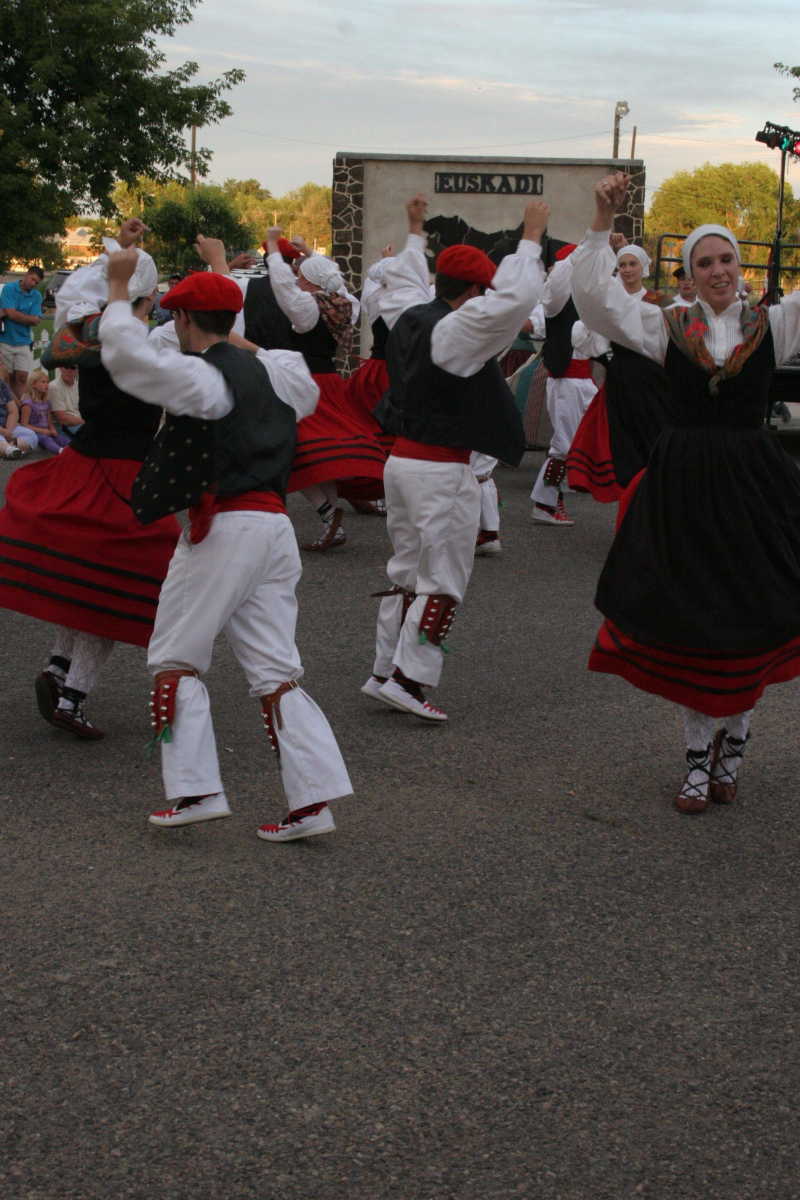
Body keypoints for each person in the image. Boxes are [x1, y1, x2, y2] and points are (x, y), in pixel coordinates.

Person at [98, 243, 353, 840]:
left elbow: (128, 359)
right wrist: (237, 335)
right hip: (274, 530)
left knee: (174, 657)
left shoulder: (204, 377)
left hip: (226, 529)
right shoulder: (278, 373)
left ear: (184, 319)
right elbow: (305, 389)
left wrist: (117, 290)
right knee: (275, 668)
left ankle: (196, 790)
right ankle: (312, 802)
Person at [572, 171, 800, 814]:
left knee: (753, 615)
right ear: (691, 274)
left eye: (726, 258)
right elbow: (594, 302)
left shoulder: (774, 323)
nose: (718, 269)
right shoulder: (664, 325)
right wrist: (600, 223)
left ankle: (736, 744)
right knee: (693, 621)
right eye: (705, 262)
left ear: (739, 265)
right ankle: (698, 760)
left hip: (753, 488)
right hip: (685, 489)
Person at [362, 193, 548, 721]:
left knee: (406, 569)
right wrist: (530, 238)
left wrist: (415, 227)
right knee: (442, 578)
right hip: (440, 469)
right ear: (471, 291)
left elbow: (405, 277)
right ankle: (408, 679)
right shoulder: (455, 330)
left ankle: (384, 669)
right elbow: (514, 300)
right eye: (480, 292)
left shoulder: (409, 314)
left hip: (401, 463)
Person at [0, 218, 181, 739]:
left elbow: (76, 300)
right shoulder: (148, 344)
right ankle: (73, 695)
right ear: (149, 298)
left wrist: (117, 256)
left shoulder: (88, 334)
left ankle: (59, 667)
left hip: (83, 464)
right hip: (125, 476)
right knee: (117, 591)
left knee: (87, 581)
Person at [263, 229, 385, 551]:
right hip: (330, 381)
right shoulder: (345, 303)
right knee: (322, 455)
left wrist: (274, 250)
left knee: (297, 452)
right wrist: (310, 255)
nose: (296, 279)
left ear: (308, 281)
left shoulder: (307, 307)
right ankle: (331, 521)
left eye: (301, 276)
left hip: (304, 383)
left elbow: (282, 286)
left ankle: (329, 515)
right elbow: (332, 280)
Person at [567, 240, 670, 501]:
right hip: (621, 376)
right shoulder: (612, 302)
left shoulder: (659, 300)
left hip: (653, 379)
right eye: (622, 265)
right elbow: (590, 335)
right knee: (622, 442)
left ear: (643, 267)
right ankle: (629, 497)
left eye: (632, 264)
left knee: (653, 437)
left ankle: (651, 495)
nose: (627, 269)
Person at [530, 243, 599, 527]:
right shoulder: (557, 299)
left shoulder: (584, 299)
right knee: (562, 445)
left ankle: (567, 487)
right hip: (566, 380)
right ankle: (545, 504)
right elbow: (558, 282)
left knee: (590, 435)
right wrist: (582, 251)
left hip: (583, 380)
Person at [0, 266, 44, 400]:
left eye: (36, 283)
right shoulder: (9, 288)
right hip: (5, 339)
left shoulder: (36, 295)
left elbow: (36, 321)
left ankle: (21, 407)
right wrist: (26, 317)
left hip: (24, 341)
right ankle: (11, 407)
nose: (33, 284)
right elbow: (11, 314)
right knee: (6, 377)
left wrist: (13, 313)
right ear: (27, 274)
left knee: (22, 377)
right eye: (32, 279)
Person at [17, 368, 69, 454]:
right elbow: (24, 425)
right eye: (43, 382)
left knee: (61, 438)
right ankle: (60, 451)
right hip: (35, 433)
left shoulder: (47, 403)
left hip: (47, 431)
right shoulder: (28, 404)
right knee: (46, 439)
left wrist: (52, 429)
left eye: (47, 382)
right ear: (33, 384)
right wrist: (43, 431)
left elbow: (49, 422)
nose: (46, 385)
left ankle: (73, 451)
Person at [47, 365, 83, 439]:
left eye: (73, 368)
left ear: (77, 370)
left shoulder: (79, 385)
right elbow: (63, 419)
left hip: (79, 423)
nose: (69, 370)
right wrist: (86, 421)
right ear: (60, 368)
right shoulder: (54, 386)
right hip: (65, 427)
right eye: (66, 367)